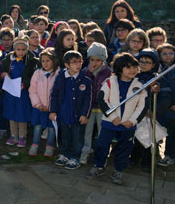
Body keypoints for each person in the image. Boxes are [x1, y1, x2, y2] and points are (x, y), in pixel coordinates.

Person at [86, 53, 147, 185]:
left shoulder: (140, 86)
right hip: (109, 123)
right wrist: (112, 117)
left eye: (135, 67)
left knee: (125, 148)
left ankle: (119, 169)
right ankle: (99, 166)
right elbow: (102, 100)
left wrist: (132, 120)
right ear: (119, 69)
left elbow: (143, 106)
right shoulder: (109, 82)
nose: (132, 70)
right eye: (128, 67)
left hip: (128, 125)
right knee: (102, 145)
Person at [50, 51, 92, 171]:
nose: (78, 64)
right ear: (67, 65)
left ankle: (75, 157)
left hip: (77, 116)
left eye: (80, 61)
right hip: (63, 115)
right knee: (65, 137)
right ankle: (65, 154)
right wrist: (53, 111)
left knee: (77, 138)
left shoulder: (85, 80)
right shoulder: (60, 78)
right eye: (74, 62)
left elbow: (88, 100)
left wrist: (85, 114)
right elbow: (54, 95)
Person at [1, 37, 39, 148]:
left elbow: (33, 76)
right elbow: (3, 71)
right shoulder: (8, 60)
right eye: (18, 49)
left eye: (23, 49)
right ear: (14, 49)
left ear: (27, 49)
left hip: (23, 93)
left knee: (22, 114)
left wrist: (25, 83)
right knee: (11, 113)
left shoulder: (32, 61)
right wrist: (4, 75)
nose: (21, 52)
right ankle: (13, 135)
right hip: (11, 92)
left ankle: (22, 136)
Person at [81, 43, 112, 165]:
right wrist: (88, 72)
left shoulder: (108, 72)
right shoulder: (85, 71)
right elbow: (82, 84)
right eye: (92, 59)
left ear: (103, 60)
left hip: (102, 108)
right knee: (87, 133)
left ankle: (101, 156)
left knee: (102, 133)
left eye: (98, 60)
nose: (95, 63)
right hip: (88, 107)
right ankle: (85, 152)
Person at [28, 49, 59, 156]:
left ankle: (50, 146)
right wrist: (38, 105)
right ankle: (35, 145)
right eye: (43, 61)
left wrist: (52, 106)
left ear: (54, 61)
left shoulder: (58, 74)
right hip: (39, 107)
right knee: (37, 126)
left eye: (48, 60)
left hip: (52, 108)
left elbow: (59, 93)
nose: (45, 63)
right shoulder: (37, 73)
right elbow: (32, 90)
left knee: (51, 127)